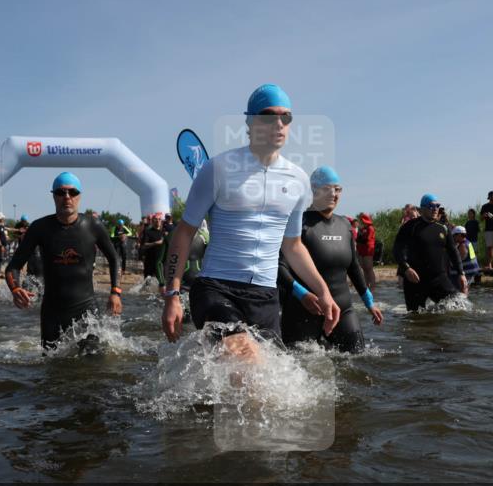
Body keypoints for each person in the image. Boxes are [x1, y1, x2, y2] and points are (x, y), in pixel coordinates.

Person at [160, 83, 340, 358]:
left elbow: (293, 246)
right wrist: (172, 295)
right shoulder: (217, 169)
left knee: (272, 388)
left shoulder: (298, 179)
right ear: (250, 122)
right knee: (248, 361)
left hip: (265, 297)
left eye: (286, 117)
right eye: (270, 116)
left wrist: (323, 292)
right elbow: (184, 233)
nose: (279, 123)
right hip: (216, 289)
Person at [6, 172, 122, 350]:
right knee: (52, 370)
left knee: (94, 368)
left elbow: (114, 259)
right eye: (61, 192)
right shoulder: (39, 228)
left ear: (79, 196)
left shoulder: (93, 226)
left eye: (72, 192)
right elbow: (13, 267)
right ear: (53, 196)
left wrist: (115, 292)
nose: (67, 197)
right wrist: (15, 288)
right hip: (53, 313)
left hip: (87, 310)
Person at [278, 167, 382, 353]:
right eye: (327, 189)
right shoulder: (299, 223)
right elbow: (280, 267)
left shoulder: (345, 226)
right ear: (314, 190)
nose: (334, 194)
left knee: (358, 361)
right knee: (302, 367)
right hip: (304, 309)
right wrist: (302, 294)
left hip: (342, 309)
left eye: (338, 189)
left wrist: (369, 302)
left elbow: (354, 267)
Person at [393, 193, 467, 311]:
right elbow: (397, 250)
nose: (435, 209)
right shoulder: (410, 227)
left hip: (438, 279)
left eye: (437, 206)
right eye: (431, 206)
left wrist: (461, 273)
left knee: (459, 306)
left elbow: (453, 252)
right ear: (422, 209)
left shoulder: (443, 228)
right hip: (415, 280)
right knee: (415, 318)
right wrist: (406, 268)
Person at [356, 212, 378, 291]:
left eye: (361, 221)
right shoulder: (362, 229)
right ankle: (366, 285)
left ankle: (372, 286)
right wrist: (359, 232)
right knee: (364, 268)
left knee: (369, 268)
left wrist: (360, 235)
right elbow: (358, 239)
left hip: (368, 250)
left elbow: (366, 239)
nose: (360, 222)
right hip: (361, 249)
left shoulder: (370, 228)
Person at [140, 214, 164, 279]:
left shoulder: (163, 233)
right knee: (147, 281)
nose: (158, 221)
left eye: (159, 219)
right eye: (156, 219)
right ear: (152, 221)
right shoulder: (148, 232)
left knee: (160, 282)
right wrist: (156, 243)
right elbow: (144, 245)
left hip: (160, 262)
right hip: (150, 261)